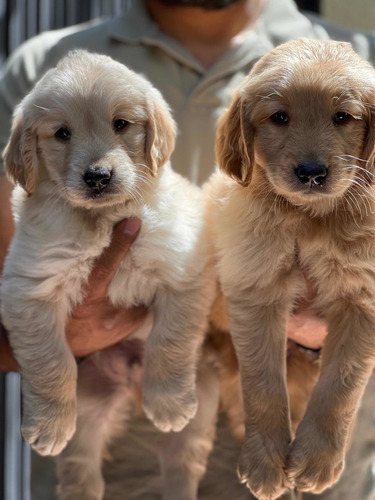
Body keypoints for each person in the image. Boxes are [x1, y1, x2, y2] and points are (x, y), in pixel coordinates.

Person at [0, 1, 374, 498]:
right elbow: (15, 292)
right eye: (279, 118)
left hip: (320, 480)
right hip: (116, 478)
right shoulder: (39, 67)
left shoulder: (364, 58)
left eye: (344, 117)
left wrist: (329, 324)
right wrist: (71, 334)